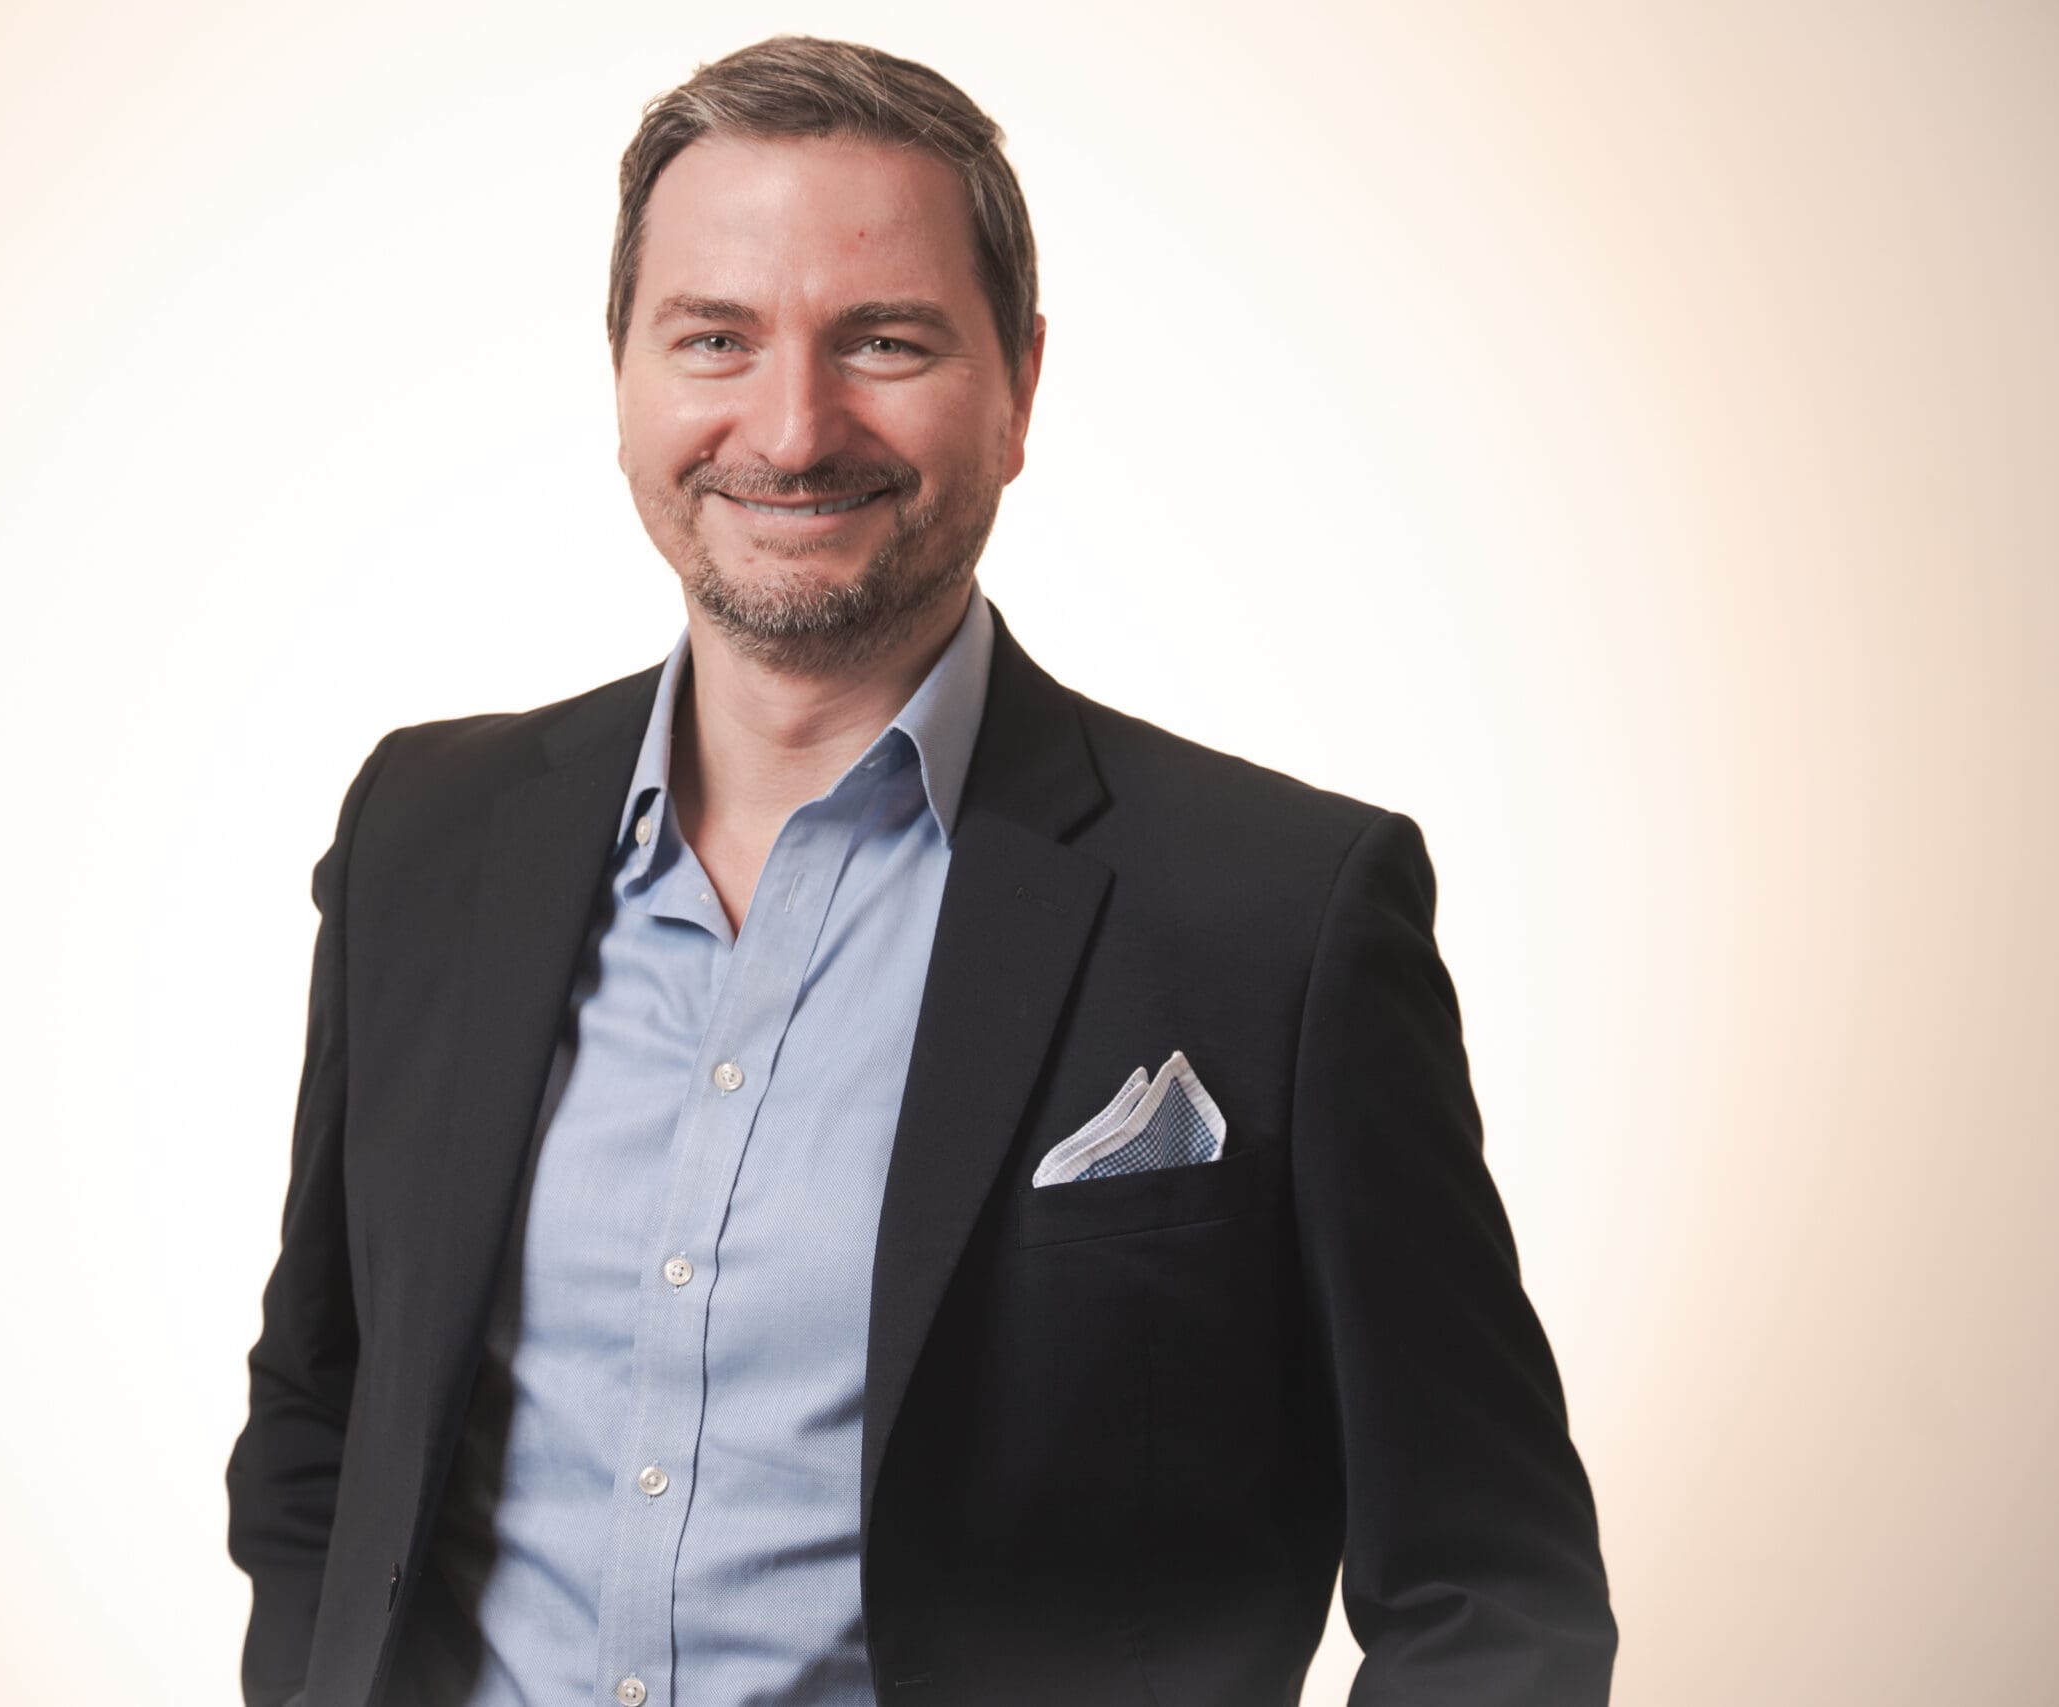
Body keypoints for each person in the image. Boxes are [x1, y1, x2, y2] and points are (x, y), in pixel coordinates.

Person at [227, 35, 1615, 1707]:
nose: (794, 427)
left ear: (1020, 387)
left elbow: (1493, 1593)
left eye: (884, 342)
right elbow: (324, 1417)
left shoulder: (1280, 920)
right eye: (715, 340)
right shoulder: (423, 836)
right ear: (623, 374)